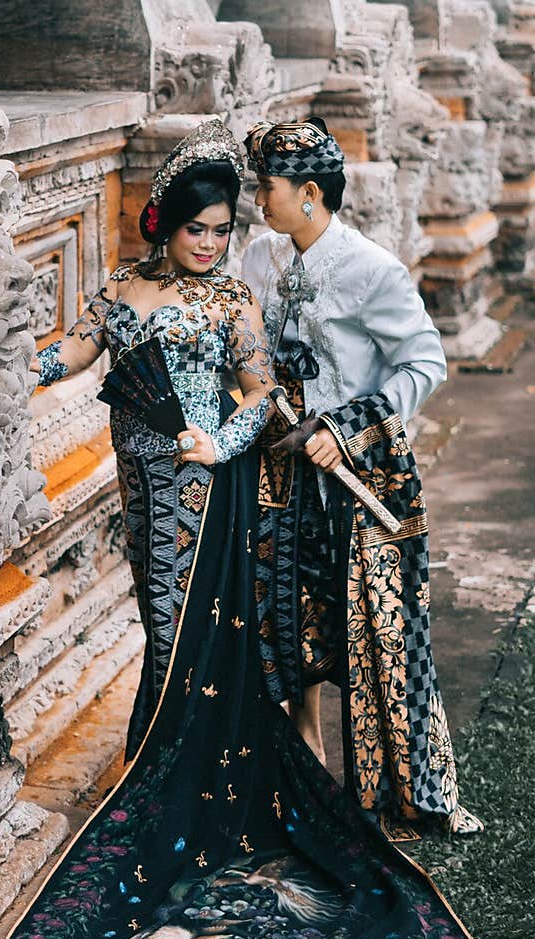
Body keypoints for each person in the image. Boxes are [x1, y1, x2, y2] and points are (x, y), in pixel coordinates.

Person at [6, 120, 480, 939]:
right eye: (207, 224)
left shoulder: (339, 275)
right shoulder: (236, 266)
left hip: (331, 484)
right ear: (170, 225)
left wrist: (297, 430)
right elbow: (84, 348)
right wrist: (13, 370)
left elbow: (340, 373)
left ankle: (377, 796)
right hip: (243, 489)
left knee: (367, 645)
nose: (227, 231)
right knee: (272, 640)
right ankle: (238, 765)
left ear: (306, 194)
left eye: (247, 207)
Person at [241, 118, 483, 838]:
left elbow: (426, 364)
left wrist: (343, 429)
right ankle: (306, 757)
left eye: (269, 187)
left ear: (310, 193)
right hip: (282, 475)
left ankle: (396, 787)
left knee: (378, 629)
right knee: (289, 614)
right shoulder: (259, 257)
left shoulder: (374, 270)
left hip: (363, 477)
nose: (260, 199)